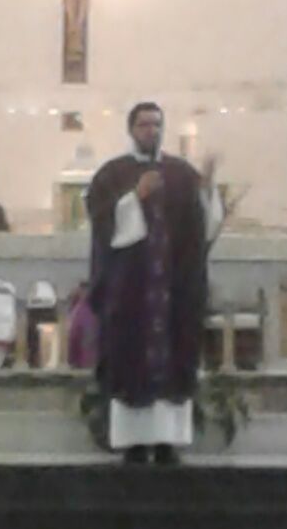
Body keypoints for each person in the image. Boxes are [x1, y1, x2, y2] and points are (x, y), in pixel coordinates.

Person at [85, 101, 223, 466]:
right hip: (131, 290)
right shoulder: (112, 174)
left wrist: (208, 190)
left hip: (174, 289)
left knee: (174, 359)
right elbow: (101, 223)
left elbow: (204, 227)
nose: (151, 131)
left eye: (157, 124)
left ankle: (167, 442)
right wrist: (135, 198)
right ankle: (133, 444)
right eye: (144, 124)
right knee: (131, 360)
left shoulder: (181, 173)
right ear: (131, 129)